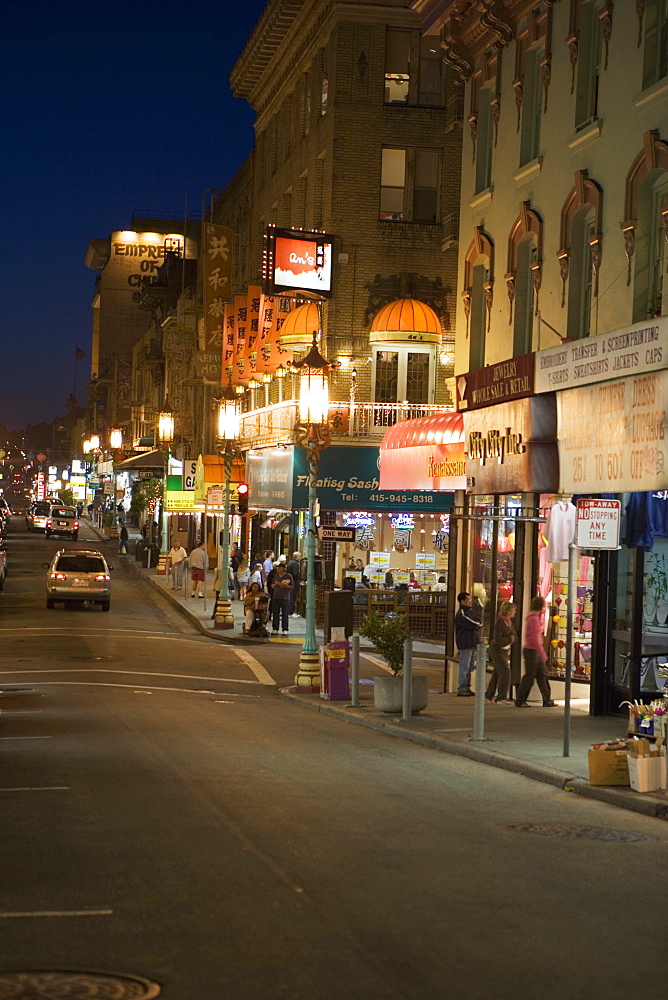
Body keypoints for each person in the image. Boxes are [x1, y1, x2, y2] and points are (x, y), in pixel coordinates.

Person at [516, 596, 556, 707]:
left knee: (542, 674)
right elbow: (534, 639)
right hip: (532, 650)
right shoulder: (533, 619)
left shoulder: (534, 618)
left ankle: (547, 699)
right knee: (530, 676)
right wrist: (542, 653)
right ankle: (520, 700)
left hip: (534, 650)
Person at [486, 601, 517, 704]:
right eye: (513, 610)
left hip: (505, 650)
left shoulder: (510, 622)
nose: (515, 612)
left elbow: (514, 634)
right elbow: (498, 639)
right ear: (508, 611)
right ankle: (501, 697)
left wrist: (512, 638)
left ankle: (488, 696)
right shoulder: (499, 622)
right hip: (497, 650)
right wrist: (509, 639)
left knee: (497, 673)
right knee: (506, 672)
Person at [454, 591, 482, 696]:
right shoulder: (461, 613)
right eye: (468, 600)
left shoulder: (470, 612)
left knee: (470, 667)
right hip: (466, 642)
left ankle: (467, 687)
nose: (470, 602)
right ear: (462, 601)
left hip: (472, 642)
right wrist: (477, 625)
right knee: (464, 666)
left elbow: (478, 621)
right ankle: (462, 688)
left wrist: (478, 624)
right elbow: (474, 623)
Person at [270, 562, 293, 636]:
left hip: (285, 597)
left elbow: (291, 586)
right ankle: (275, 628)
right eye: (277, 568)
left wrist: (283, 585)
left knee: (285, 613)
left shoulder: (288, 576)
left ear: (283, 569)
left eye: (279, 568)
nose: (278, 569)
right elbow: (272, 586)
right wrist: (276, 584)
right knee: (275, 613)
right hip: (276, 597)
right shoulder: (275, 576)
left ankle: (285, 629)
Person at [286, 551, 301, 617]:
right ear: (297, 556)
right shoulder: (295, 563)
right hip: (294, 581)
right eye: (300, 556)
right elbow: (295, 573)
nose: (300, 558)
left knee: (290, 596)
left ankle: (288, 611)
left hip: (290, 581)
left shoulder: (290, 562)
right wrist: (300, 577)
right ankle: (291, 612)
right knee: (292, 596)